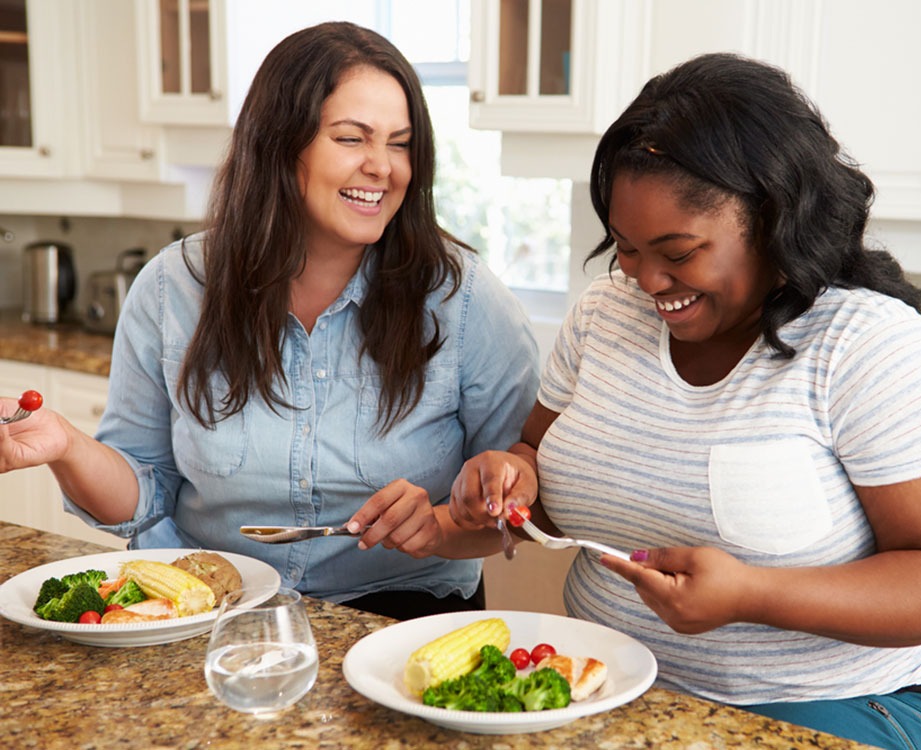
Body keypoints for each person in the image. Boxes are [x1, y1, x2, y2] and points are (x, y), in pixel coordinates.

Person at [444, 53, 921, 748]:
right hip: (605, 689)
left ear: (772, 216)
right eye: (625, 247)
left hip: (832, 706)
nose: (648, 280)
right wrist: (511, 477)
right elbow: (541, 463)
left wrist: (752, 595)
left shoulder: (869, 345)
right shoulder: (605, 314)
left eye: (678, 252)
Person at [0, 22, 539, 621]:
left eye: (400, 143)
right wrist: (65, 445)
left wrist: (439, 524)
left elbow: (515, 510)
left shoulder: (461, 298)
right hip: (209, 610)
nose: (382, 167)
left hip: (398, 617)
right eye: (351, 138)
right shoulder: (172, 287)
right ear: (281, 145)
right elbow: (145, 494)